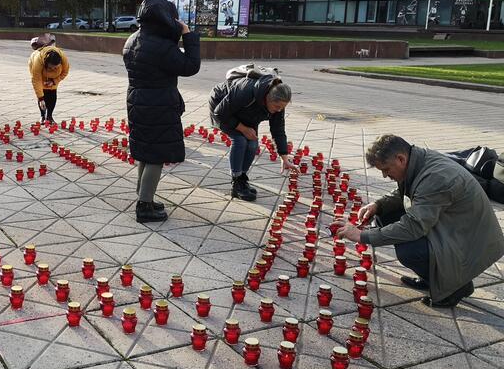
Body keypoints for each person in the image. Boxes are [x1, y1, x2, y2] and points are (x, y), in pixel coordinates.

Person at [336, 134, 504, 308]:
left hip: (470, 241)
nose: (385, 176)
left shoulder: (436, 176)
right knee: (384, 214)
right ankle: (433, 277)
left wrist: (362, 236)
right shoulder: (418, 160)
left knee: (408, 249)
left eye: (386, 169)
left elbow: (413, 227)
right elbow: (414, 192)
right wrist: (378, 205)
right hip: (452, 225)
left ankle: (457, 286)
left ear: (400, 159)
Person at [124, 0, 201, 223]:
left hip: (137, 99)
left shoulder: (133, 38)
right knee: (156, 154)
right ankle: (144, 206)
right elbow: (191, 66)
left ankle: (143, 197)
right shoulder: (161, 46)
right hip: (158, 103)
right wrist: (188, 36)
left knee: (146, 152)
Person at [208, 65, 295, 201]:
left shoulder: (278, 102)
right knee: (240, 140)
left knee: (253, 144)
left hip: (247, 114)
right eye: (277, 107)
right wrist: (242, 128)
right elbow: (219, 113)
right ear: (267, 99)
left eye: (282, 108)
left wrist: (284, 157)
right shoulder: (245, 91)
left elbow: (278, 129)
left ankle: (242, 179)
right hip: (222, 106)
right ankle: (236, 183)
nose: (279, 110)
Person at [29, 44, 69, 123]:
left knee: (52, 92)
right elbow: (36, 80)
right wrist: (41, 98)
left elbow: (65, 72)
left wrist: (54, 81)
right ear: (45, 63)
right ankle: (43, 116)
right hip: (39, 71)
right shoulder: (38, 60)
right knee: (42, 91)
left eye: (55, 67)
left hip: (55, 76)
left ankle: (49, 116)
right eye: (50, 67)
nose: (52, 69)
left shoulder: (63, 58)